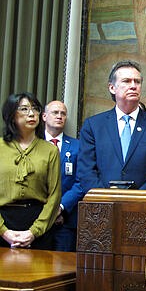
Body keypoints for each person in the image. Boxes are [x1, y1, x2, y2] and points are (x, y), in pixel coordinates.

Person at [78, 60, 146, 192]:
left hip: (142, 206)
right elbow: (86, 170)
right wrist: (105, 197)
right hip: (103, 204)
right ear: (112, 87)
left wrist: (135, 199)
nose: (133, 86)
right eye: (127, 81)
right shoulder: (93, 126)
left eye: (137, 81)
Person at [0, 92, 61, 249]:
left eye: (35, 109)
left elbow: (54, 195)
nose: (31, 113)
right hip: (3, 220)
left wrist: (34, 232)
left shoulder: (50, 150)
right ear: (12, 115)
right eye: (24, 109)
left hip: (37, 222)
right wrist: (3, 231)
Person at [43, 100, 85, 251]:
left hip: (65, 220)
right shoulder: (33, 144)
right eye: (55, 112)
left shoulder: (77, 146)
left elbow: (81, 182)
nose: (59, 116)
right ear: (44, 116)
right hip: (35, 217)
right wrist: (47, 211)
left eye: (63, 113)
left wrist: (60, 208)